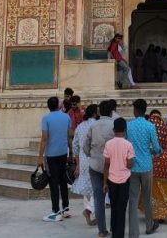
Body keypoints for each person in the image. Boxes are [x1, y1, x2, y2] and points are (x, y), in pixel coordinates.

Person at [126, 98, 162, 237]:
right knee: (147, 197)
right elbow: (157, 147)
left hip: (133, 167)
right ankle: (149, 226)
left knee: (133, 199)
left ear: (135, 110)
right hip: (147, 166)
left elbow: (126, 145)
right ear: (145, 111)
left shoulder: (129, 126)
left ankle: (133, 232)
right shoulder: (150, 126)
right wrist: (155, 152)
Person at [85, 100, 116, 238]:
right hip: (112, 167)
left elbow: (85, 146)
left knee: (98, 199)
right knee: (115, 198)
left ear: (99, 112)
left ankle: (102, 230)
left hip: (95, 165)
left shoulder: (93, 125)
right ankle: (115, 227)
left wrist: (91, 155)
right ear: (111, 112)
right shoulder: (114, 125)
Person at [38, 96, 72, 222]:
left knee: (53, 182)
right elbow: (69, 137)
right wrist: (72, 153)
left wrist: (40, 157)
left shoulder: (46, 118)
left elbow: (44, 138)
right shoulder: (66, 117)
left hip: (51, 155)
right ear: (58, 105)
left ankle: (56, 211)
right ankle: (66, 208)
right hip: (63, 153)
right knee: (63, 181)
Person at [103, 117, 135, 238]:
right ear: (125, 130)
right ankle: (119, 234)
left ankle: (113, 231)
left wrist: (104, 183)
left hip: (111, 180)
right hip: (124, 180)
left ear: (114, 129)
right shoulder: (128, 144)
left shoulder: (108, 144)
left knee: (114, 207)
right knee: (121, 209)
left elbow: (106, 164)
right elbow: (130, 164)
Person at [72, 104, 100, 226]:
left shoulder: (80, 126)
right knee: (97, 187)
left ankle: (89, 214)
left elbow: (75, 146)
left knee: (86, 187)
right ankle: (89, 210)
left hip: (83, 161)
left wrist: (77, 164)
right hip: (94, 159)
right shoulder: (96, 125)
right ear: (95, 113)